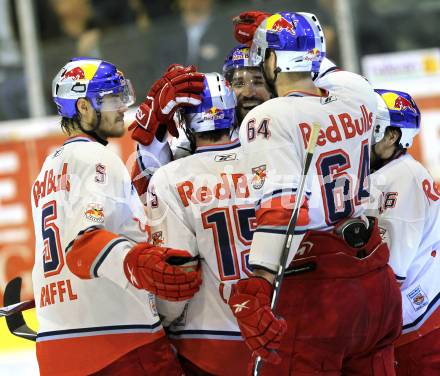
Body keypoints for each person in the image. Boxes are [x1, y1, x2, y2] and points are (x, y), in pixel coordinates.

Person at [227, 11, 402, 374]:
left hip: (318, 288)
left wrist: (260, 280)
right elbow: (331, 74)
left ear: (270, 59)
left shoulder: (268, 117)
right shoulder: (358, 95)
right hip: (376, 278)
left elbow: (283, 209)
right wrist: (294, 40)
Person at [31, 57, 203, 375]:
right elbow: (84, 243)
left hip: (57, 346)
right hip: (120, 343)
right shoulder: (95, 156)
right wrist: (139, 263)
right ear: (83, 107)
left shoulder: (47, 170)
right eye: (111, 99)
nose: (122, 107)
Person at [142, 73, 254, 375]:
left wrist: (158, 322)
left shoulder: (170, 177)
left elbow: (178, 273)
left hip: (206, 344)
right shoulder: (268, 161)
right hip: (276, 333)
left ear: (188, 122)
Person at [367, 89, 440, 375]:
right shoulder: (393, 173)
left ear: (392, 136)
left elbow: (390, 271)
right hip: (416, 319)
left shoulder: (401, 179)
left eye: (369, 127)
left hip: (418, 324)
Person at [222, 44, 272, 125]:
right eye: (239, 84)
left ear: (272, 90)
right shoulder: (221, 136)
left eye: (257, 82)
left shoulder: (290, 130)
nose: (248, 93)